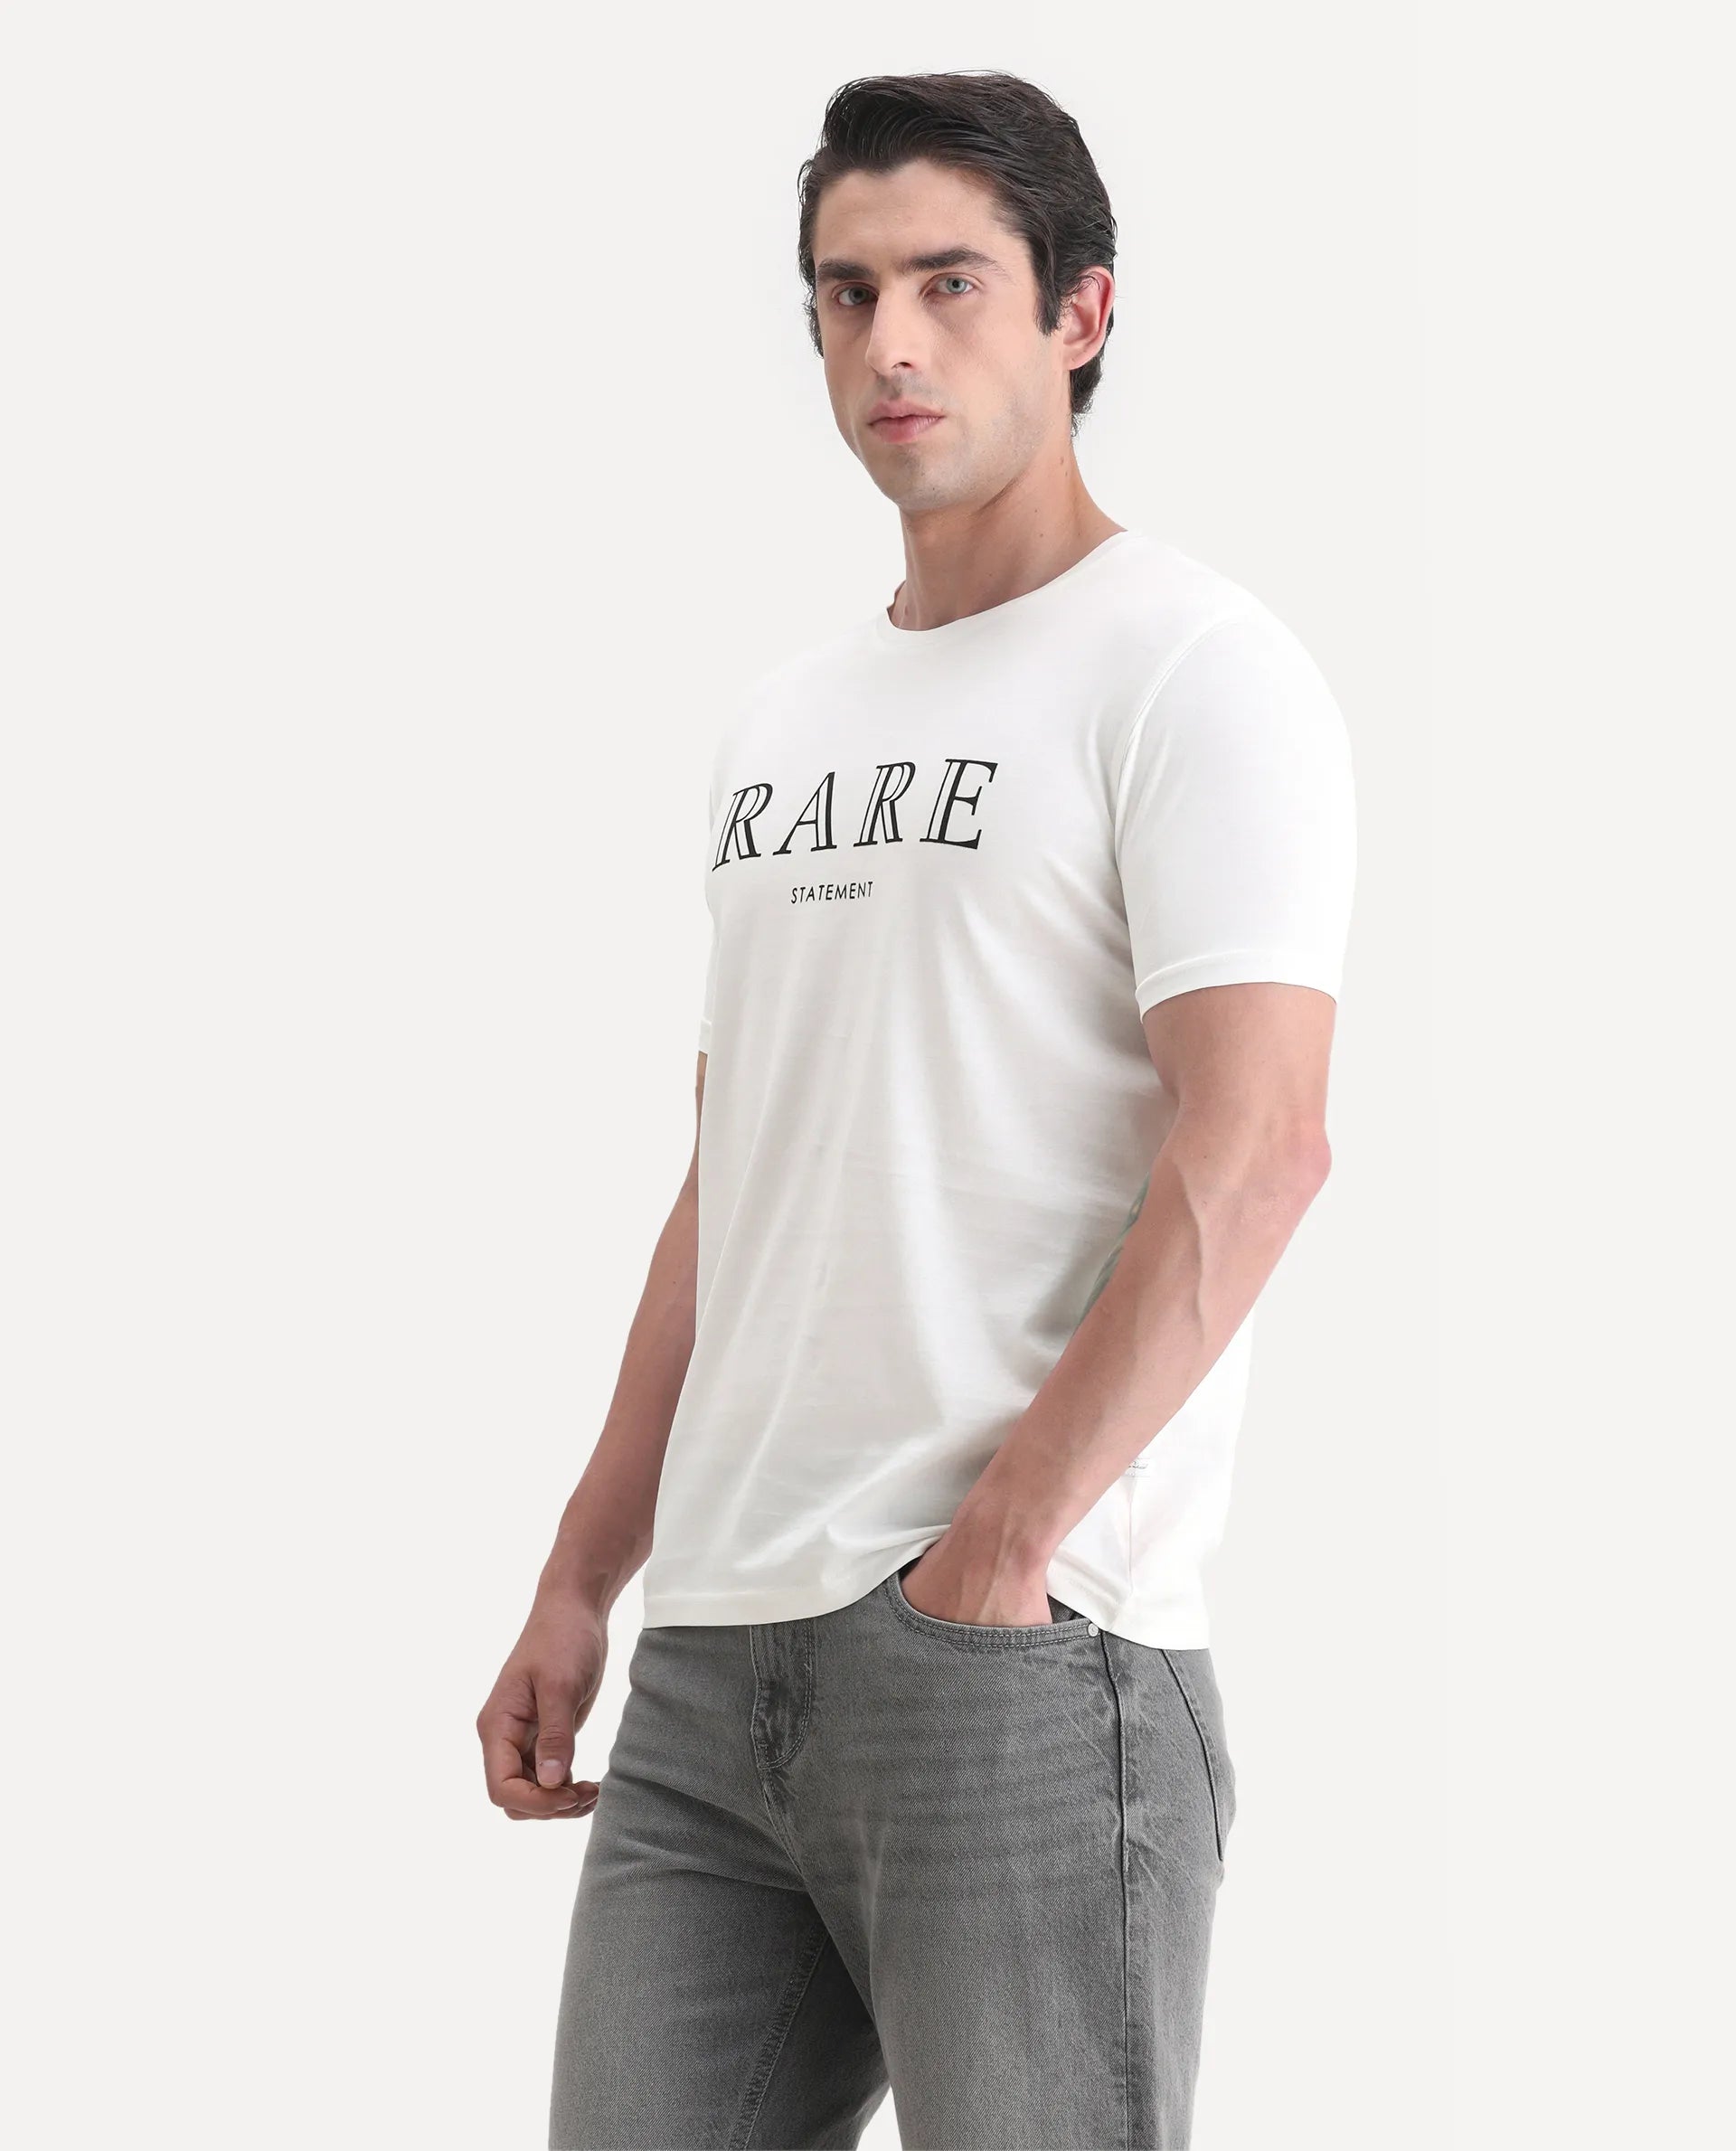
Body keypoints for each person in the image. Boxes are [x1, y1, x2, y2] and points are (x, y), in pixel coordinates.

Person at [477, 69, 1356, 2151]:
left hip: (1012, 1661)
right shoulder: (783, 721)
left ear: (1080, 310)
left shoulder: (1192, 666)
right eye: (845, 291)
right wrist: (587, 1570)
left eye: (950, 283)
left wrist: (1008, 1541)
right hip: (714, 1664)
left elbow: (1257, 1148)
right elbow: (736, 1178)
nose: (890, 340)